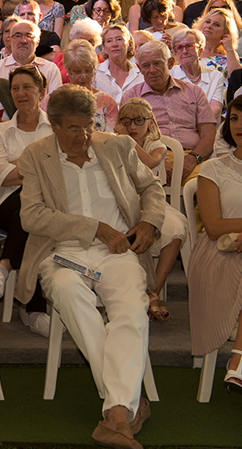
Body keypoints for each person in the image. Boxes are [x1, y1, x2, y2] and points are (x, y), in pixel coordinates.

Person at [17, 85, 162, 449]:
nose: (84, 137)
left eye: (89, 126)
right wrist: (93, 228)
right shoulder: (35, 156)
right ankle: (127, 408)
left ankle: (115, 415)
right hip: (62, 252)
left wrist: (149, 222)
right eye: (74, 129)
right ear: (53, 126)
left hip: (117, 254)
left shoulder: (117, 146)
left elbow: (152, 189)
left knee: (131, 310)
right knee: (68, 292)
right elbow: (31, 216)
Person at [0, 66, 53, 333]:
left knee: (32, 217)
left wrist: (21, 165)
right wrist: (41, 165)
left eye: (27, 87)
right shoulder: (0, 131)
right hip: (7, 204)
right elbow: (2, 175)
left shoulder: (55, 128)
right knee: (29, 207)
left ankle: (5, 265)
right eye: (15, 88)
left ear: (41, 92)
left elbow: (62, 168)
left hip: (49, 205)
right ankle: (34, 310)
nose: (20, 93)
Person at [113, 98, 187, 322]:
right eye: (126, 121)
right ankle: (128, 293)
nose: (132, 126)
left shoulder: (157, 146)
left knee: (175, 229)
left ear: (150, 122)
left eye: (138, 121)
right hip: (124, 204)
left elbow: (150, 164)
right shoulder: (114, 144)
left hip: (154, 204)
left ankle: (152, 292)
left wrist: (126, 139)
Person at [191, 94, 242, 394]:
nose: (238, 125)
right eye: (234, 118)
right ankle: (237, 361)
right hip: (218, 252)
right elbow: (213, 227)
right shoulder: (213, 169)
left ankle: (237, 359)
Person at [123, 40, 216, 183]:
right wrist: (156, 161)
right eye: (146, 66)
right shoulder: (132, 98)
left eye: (158, 63)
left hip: (192, 157)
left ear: (171, 63)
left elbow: (209, 134)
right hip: (150, 160)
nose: (152, 70)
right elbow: (127, 139)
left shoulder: (194, 92)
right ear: (139, 69)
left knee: (210, 185)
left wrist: (192, 159)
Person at [0, 18, 62, 93]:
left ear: (37, 42)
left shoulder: (51, 70)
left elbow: (55, 103)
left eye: (29, 35)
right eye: (18, 36)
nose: (23, 41)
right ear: (11, 40)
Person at [169, 28, 226, 117]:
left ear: (200, 50)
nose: (184, 51)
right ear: (175, 53)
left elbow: (215, 110)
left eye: (189, 46)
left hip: (207, 128)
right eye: (179, 47)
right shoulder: (169, 76)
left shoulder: (216, 76)